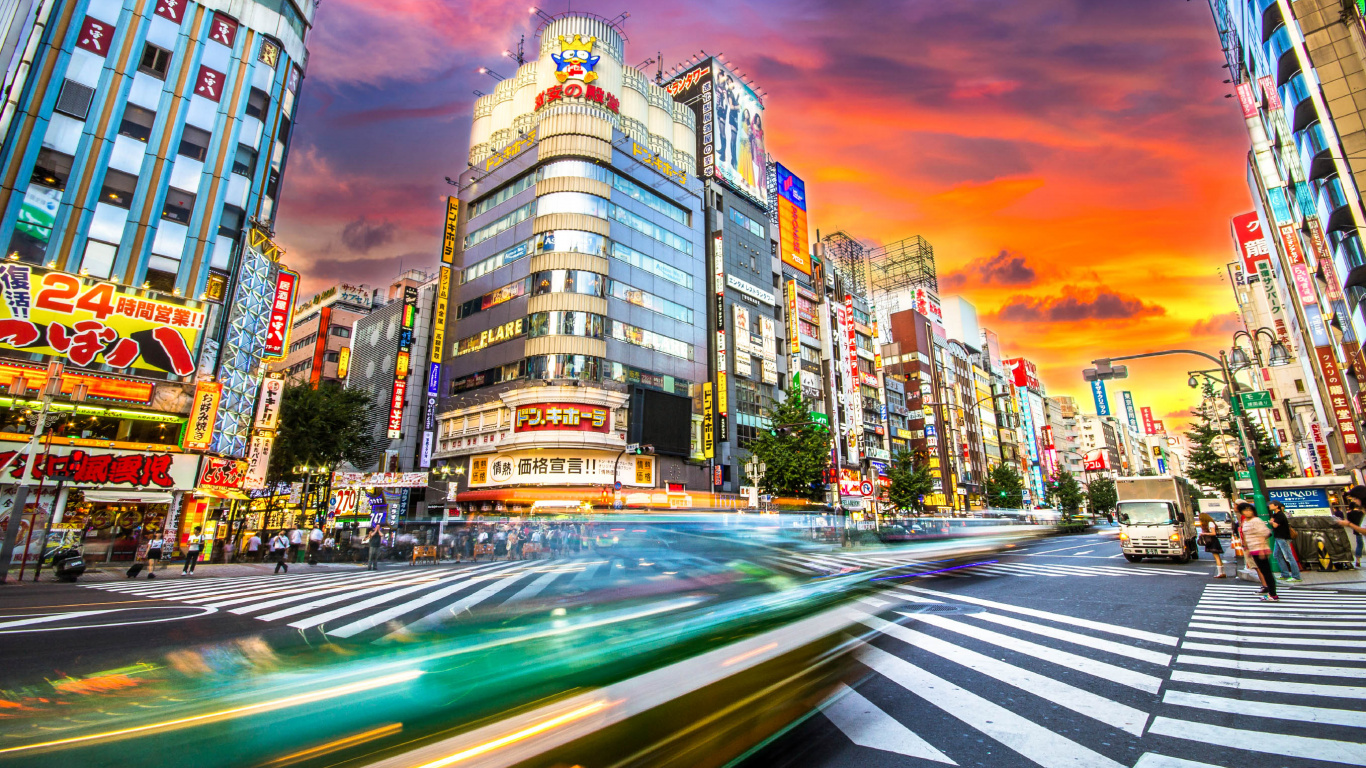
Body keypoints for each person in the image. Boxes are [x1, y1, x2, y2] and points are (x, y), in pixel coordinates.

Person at [1237, 502, 1277, 601]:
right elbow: (1245, 535)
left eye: (1249, 510)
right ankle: (1270, 593)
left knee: (1266, 572)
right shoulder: (1245, 521)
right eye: (1245, 510)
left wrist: (1262, 547)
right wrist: (1246, 548)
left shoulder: (1256, 520)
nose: (1247, 512)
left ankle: (1273, 594)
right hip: (1253, 549)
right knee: (1263, 571)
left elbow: (1266, 533)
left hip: (1260, 549)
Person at [1267, 501, 1302, 583]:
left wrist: (1271, 522)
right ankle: (1285, 574)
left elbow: (1275, 524)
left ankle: (1296, 576)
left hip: (1283, 537)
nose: (1269, 506)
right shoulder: (1275, 514)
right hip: (1278, 537)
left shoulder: (1280, 515)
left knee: (1288, 556)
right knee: (1277, 555)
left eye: (1271, 505)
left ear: (1276, 506)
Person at [1198, 512, 1226, 578]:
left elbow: (1213, 533)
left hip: (1212, 540)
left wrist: (1204, 534)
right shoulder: (1209, 523)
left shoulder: (1210, 523)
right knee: (1217, 557)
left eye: (1201, 519)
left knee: (1216, 557)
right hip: (1212, 540)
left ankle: (1220, 573)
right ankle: (1222, 572)